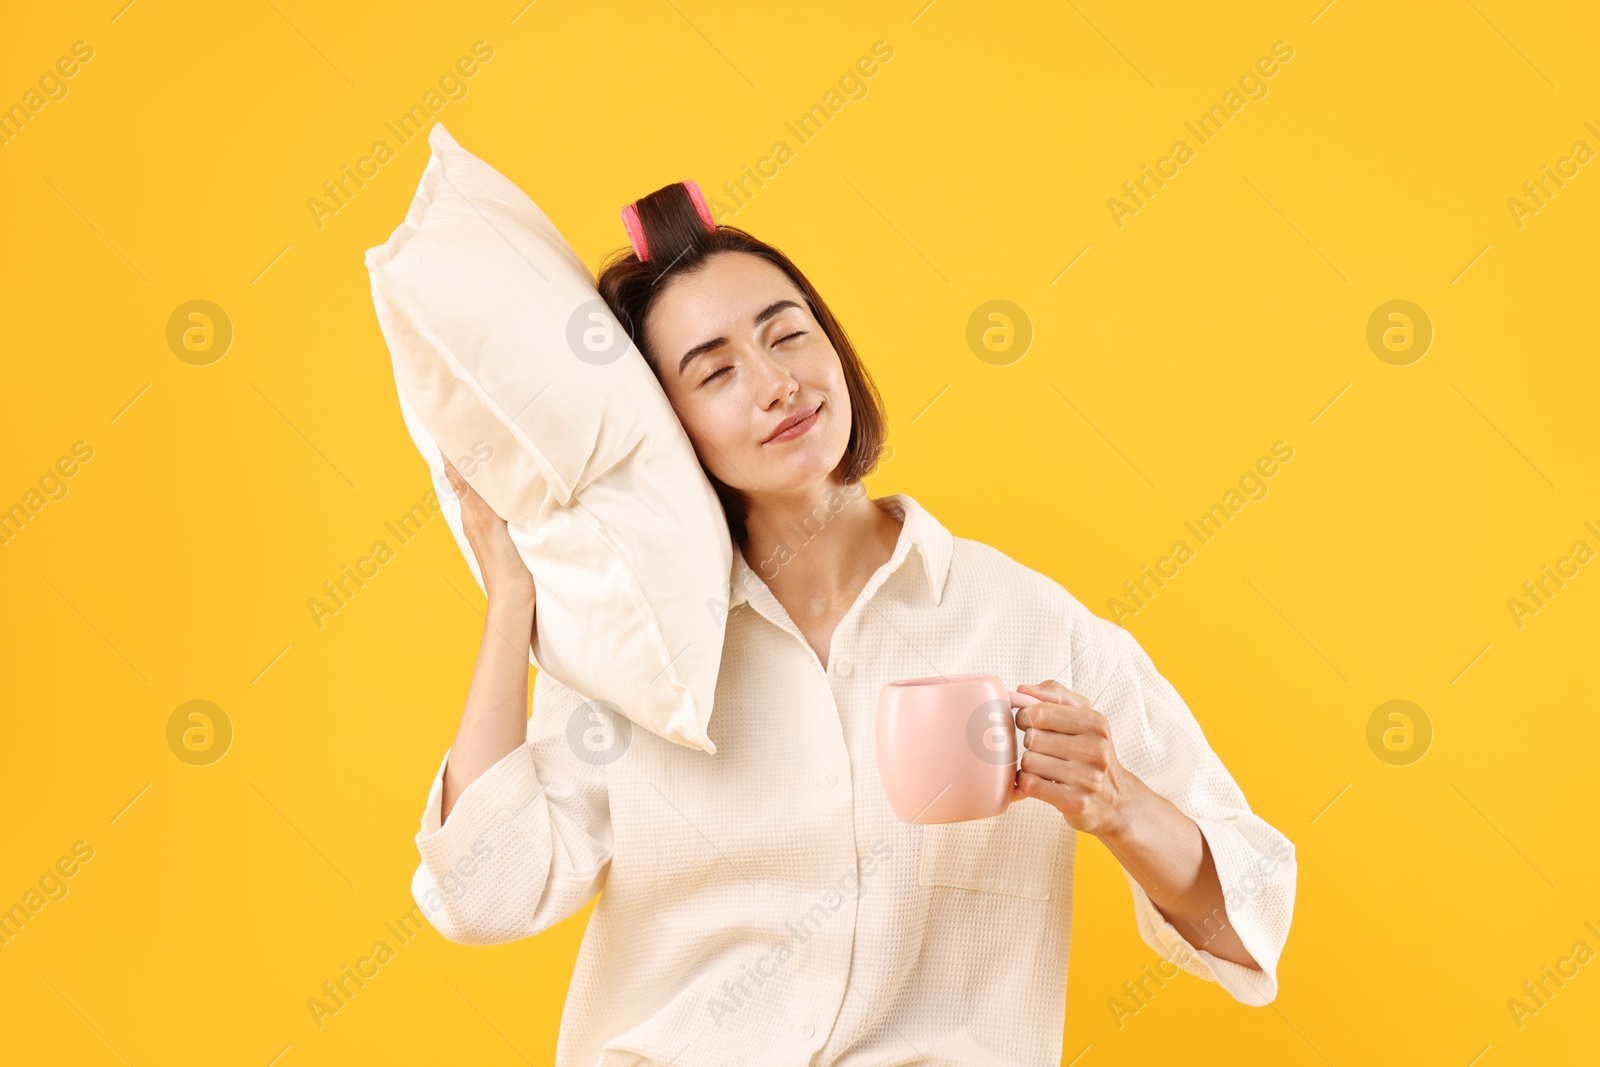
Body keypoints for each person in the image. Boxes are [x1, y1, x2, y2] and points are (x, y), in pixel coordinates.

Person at [411, 180, 1296, 1066]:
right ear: (667, 431)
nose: (777, 383)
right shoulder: (639, 649)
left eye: (788, 332)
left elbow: (1248, 915)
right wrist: (511, 604)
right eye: (715, 372)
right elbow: (489, 893)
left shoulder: (1026, 620)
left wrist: (1121, 806)